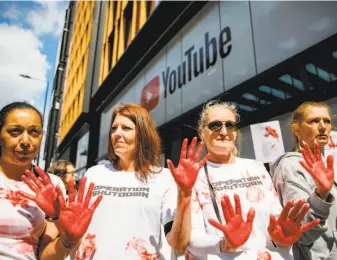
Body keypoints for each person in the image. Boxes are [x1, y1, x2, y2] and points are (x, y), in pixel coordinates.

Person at [72, 103, 208, 259]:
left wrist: (185, 194)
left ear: (143, 135)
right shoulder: (95, 174)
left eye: (126, 128)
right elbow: (75, 228)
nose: (117, 133)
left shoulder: (163, 178)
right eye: (114, 128)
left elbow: (178, 243)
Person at [187, 100, 319, 260]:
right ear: (201, 133)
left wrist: (282, 236)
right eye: (215, 125)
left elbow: (275, 214)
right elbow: (192, 237)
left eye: (230, 125)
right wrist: (225, 244)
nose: (223, 131)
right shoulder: (193, 176)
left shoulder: (256, 167)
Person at [0, 101, 101, 260]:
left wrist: (69, 240)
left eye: (34, 132)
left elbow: (46, 257)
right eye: (15, 131)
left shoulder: (52, 186)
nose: (26, 141)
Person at [270, 101, 337, 259]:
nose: (322, 126)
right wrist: (321, 194)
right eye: (314, 121)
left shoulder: (328, 163)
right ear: (296, 129)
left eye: (327, 121)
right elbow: (303, 232)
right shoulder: (290, 165)